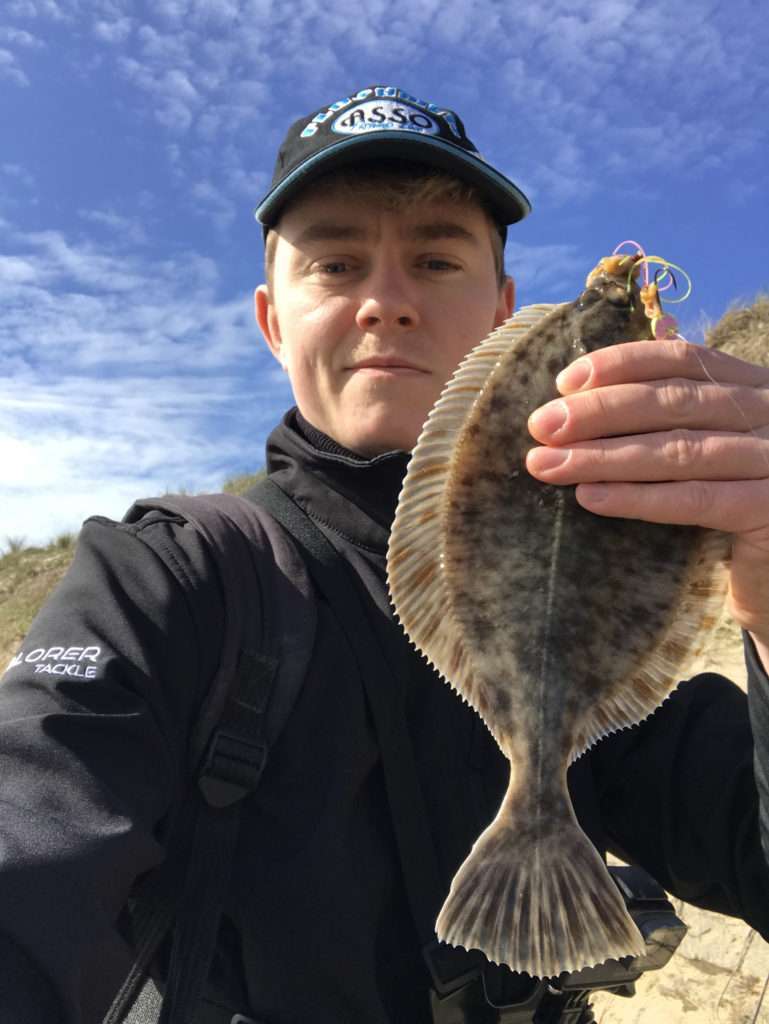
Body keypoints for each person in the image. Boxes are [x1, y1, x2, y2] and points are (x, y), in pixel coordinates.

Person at [1, 84, 769, 1024]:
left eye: (437, 257)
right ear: (271, 318)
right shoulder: (168, 577)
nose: (386, 304)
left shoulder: (596, 546)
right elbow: (29, 829)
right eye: (335, 263)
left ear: (503, 312)